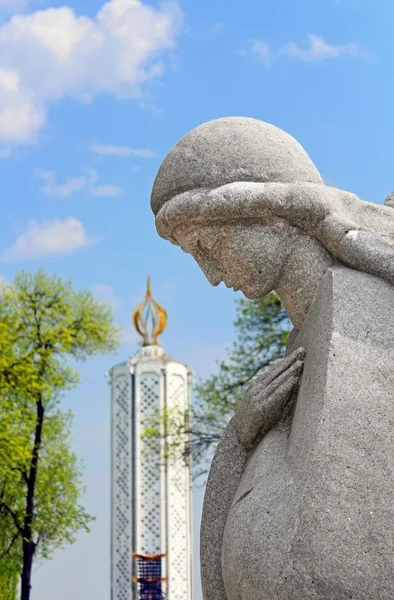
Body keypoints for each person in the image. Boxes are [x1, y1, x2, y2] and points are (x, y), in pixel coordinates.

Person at [151, 117, 394, 600]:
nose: (211, 277)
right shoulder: (304, 345)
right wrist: (243, 431)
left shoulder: (359, 313)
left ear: (268, 214)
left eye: (206, 246)